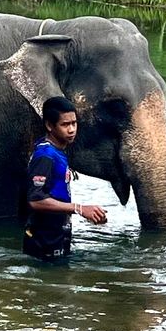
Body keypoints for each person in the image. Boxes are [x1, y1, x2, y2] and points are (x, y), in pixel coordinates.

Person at [21, 96, 107, 263]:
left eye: (74, 123)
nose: (72, 130)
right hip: (43, 240)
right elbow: (35, 200)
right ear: (49, 126)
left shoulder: (58, 152)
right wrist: (79, 209)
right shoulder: (45, 156)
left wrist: (88, 213)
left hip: (57, 235)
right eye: (65, 125)